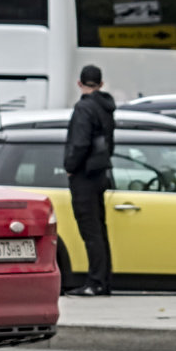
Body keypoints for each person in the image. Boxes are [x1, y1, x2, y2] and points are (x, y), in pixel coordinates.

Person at [64, 64, 116, 297]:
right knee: (99, 230)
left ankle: (94, 282)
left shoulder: (84, 108)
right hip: (100, 173)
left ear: (79, 83)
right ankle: (103, 280)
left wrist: (70, 167)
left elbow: (80, 143)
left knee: (90, 231)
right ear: (101, 84)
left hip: (84, 175)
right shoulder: (106, 107)